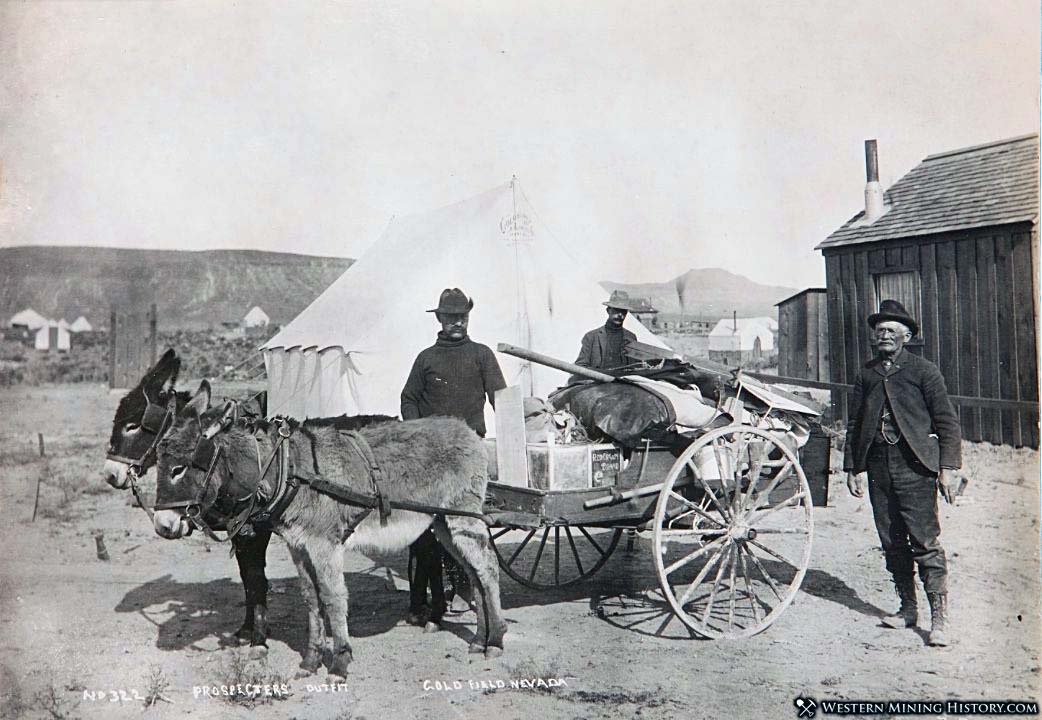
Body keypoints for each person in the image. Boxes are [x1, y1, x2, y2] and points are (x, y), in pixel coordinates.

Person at [845, 299, 962, 646]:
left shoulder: (924, 371)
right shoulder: (867, 373)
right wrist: (852, 467)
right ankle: (907, 608)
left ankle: (938, 619)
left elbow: (946, 421)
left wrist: (948, 468)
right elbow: (854, 423)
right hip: (879, 466)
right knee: (891, 540)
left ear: (906, 336)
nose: (883, 335)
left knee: (924, 541)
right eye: (879, 330)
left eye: (892, 330)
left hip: (916, 466)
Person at [400, 287, 506, 628]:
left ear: (468, 318)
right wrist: (419, 434)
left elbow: (500, 399)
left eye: (462, 316)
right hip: (430, 455)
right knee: (423, 530)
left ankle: (468, 594)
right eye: (450, 317)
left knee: (463, 525)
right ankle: (421, 603)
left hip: (467, 455)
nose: (456, 322)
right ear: (440, 319)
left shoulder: (482, 355)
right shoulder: (426, 359)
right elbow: (408, 398)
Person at [572, 290, 639, 380]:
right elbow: (580, 366)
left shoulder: (631, 337)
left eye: (623, 312)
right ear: (608, 310)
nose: (620, 315)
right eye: (616, 310)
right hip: (597, 385)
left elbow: (636, 368)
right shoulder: (591, 337)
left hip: (624, 385)